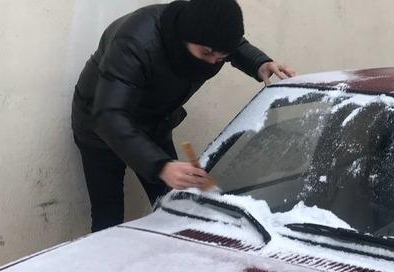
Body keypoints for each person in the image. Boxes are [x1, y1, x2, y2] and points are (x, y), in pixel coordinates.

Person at [71, 0, 295, 232]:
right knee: (108, 212)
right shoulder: (135, 41)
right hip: (99, 124)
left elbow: (234, 46)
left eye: (221, 57)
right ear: (184, 36)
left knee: (174, 204)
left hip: (153, 123)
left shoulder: (213, 41)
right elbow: (109, 114)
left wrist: (260, 64)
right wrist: (162, 166)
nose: (212, 62)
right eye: (206, 53)